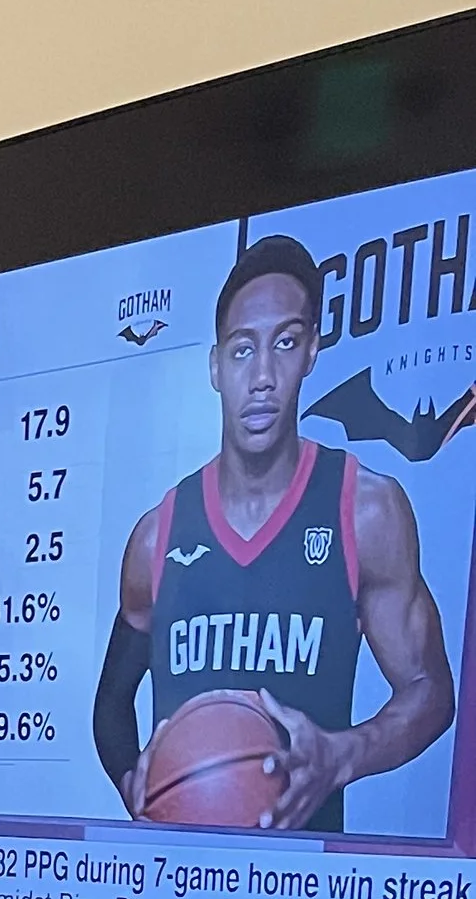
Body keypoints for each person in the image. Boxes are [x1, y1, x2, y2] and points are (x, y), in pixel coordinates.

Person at [94, 233, 455, 833]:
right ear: (215, 366)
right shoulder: (158, 535)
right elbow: (111, 703)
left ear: (312, 350)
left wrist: (347, 753)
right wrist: (138, 780)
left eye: (284, 343)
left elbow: (429, 689)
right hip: (172, 894)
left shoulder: (364, 509)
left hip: (299, 893)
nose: (262, 376)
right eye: (241, 351)